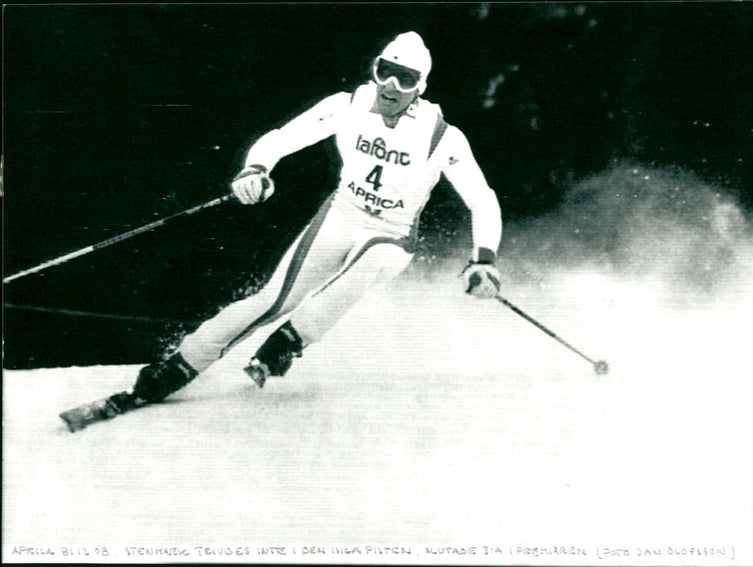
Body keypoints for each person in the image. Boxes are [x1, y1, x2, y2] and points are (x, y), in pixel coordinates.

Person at [131, 31, 503, 402]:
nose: (390, 85)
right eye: (384, 71)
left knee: (374, 258)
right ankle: (181, 365)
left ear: (419, 87)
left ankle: (293, 338)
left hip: (394, 233)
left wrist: (483, 261)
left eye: (404, 78)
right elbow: (280, 138)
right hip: (342, 214)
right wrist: (255, 170)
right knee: (275, 298)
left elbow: (482, 200)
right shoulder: (348, 106)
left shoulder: (441, 137)